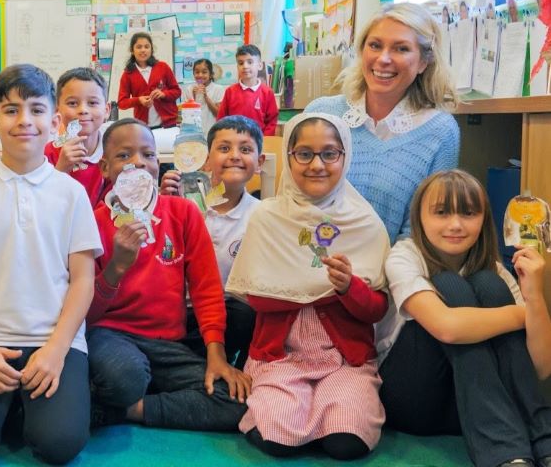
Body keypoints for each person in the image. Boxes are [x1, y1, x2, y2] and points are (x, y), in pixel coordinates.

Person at [0, 64, 102, 464]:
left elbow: (83, 281)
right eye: (11, 110)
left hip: (55, 341)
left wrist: (57, 350)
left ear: (55, 121)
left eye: (36, 109)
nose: (24, 120)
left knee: (59, 444)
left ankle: (22, 406)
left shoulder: (71, 193)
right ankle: (5, 405)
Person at [228, 112, 390, 461]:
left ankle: (325, 415)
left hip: (345, 360)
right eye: (304, 153)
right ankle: (298, 414)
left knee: (347, 443)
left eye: (329, 153)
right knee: (276, 439)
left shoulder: (364, 222)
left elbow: (377, 308)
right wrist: (315, 282)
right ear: (288, 157)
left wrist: (348, 288)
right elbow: (256, 297)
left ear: (345, 156)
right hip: (280, 358)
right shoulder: (269, 217)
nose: (317, 164)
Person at [375, 170, 551, 467]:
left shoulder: (494, 270)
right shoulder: (404, 255)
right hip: (413, 399)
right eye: (441, 213)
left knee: (487, 282)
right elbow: (447, 328)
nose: (455, 225)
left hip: (468, 404)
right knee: (450, 285)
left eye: (469, 213)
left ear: (483, 219)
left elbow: (541, 366)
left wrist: (534, 295)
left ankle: (539, 438)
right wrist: (523, 313)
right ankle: (505, 450)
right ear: (420, 217)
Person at [86, 118, 250, 432]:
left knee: (235, 403)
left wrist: (217, 355)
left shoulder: (182, 212)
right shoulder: (93, 221)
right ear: (105, 168)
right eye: (124, 156)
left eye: (148, 155)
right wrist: (116, 268)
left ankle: (124, 410)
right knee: (125, 378)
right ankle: (126, 390)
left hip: (167, 343)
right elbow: (86, 312)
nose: (138, 162)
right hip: (111, 335)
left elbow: (206, 289)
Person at [305, 2, 460, 244]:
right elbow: (291, 205)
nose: (383, 59)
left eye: (401, 49)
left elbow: (421, 232)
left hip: (388, 273)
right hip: (310, 261)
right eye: (375, 46)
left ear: (423, 62)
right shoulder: (321, 114)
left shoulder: (440, 132)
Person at [160, 115, 265, 366]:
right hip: (179, 312)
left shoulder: (262, 215)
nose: (235, 156)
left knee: (245, 314)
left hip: (227, 316)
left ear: (259, 162)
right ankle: (191, 368)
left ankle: (201, 367)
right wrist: (162, 204)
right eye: (224, 148)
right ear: (205, 160)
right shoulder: (182, 204)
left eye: (246, 149)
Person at [44, 67, 112, 207]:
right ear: (57, 110)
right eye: (72, 103)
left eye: (92, 103)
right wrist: (61, 168)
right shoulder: (46, 155)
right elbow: (41, 204)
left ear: (106, 110)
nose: (83, 110)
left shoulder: (114, 154)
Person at [117, 32, 181, 128]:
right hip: (143, 127)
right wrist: (138, 100)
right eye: (139, 47)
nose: (143, 50)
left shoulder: (163, 67)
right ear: (132, 50)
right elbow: (122, 103)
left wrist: (164, 94)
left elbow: (177, 91)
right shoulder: (127, 74)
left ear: (151, 49)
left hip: (169, 124)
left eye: (147, 47)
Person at [217, 44, 278, 136]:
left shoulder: (267, 92)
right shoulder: (230, 91)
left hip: (258, 142)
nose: (245, 66)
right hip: (234, 140)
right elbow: (222, 119)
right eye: (241, 63)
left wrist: (264, 140)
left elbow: (271, 121)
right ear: (237, 66)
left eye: (250, 62)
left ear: (260, 65)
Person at [180, 58, 227, 135]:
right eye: (197, 72)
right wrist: (193, 97)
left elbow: (219, 114)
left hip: (212, 131)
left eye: (204, 72)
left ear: (211, 74)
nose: (200, 75)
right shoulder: (189, 89)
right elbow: (186, 115)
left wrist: (206, 96)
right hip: (194, 132)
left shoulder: (218, 89)